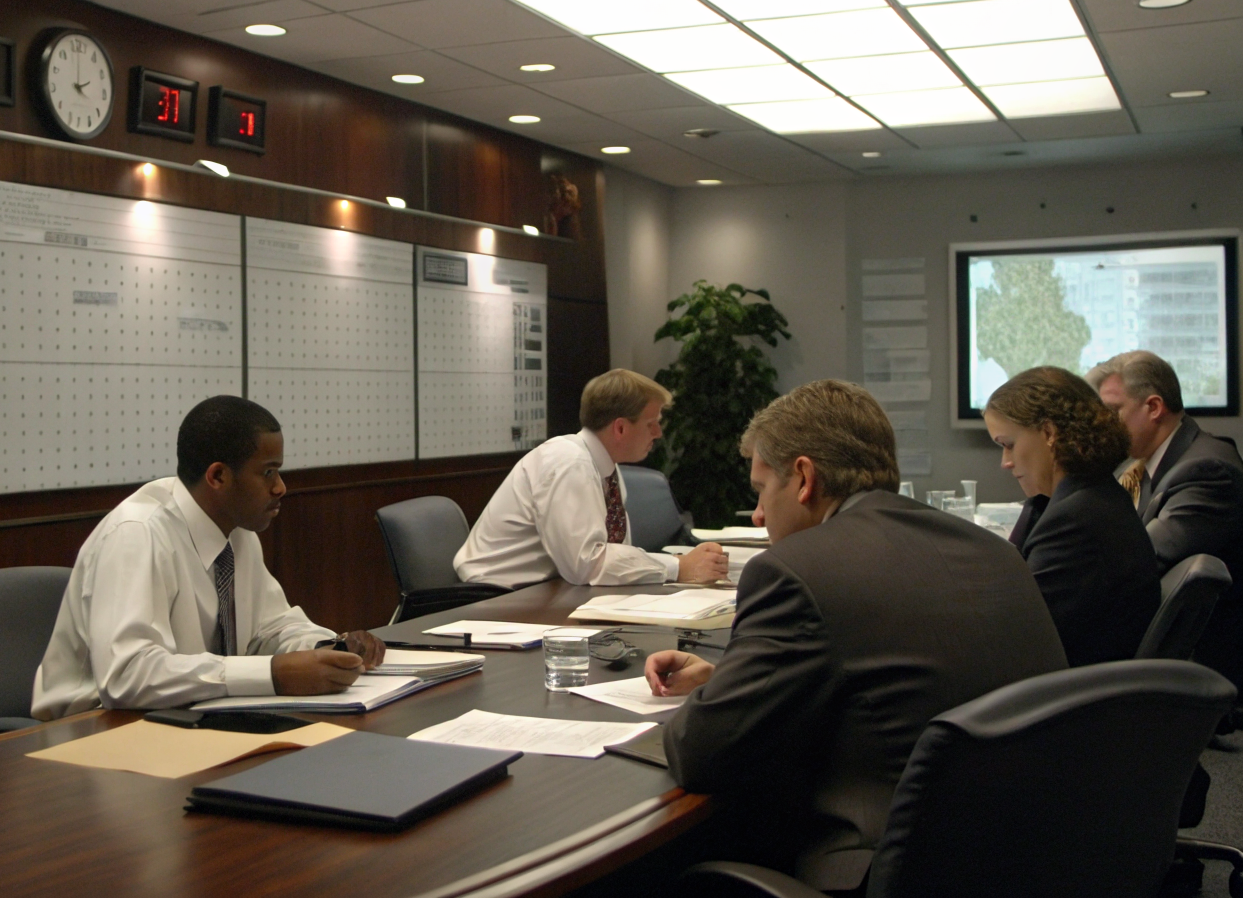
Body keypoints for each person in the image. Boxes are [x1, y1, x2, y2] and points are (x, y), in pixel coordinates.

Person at [646, 380, 1065, 894]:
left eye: (760, 490)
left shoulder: (796, 570)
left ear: (803, 478)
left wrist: (722, 698)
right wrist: (737, 676)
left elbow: (701, 752)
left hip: (887, 870)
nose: (757, 515)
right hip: (1032, 861)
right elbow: (897, 673)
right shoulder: (994, 550)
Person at [32, 396, 384, 720]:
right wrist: (274, 674)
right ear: (218, 476)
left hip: (186, 715)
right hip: (92, 728)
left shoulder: (237, 530)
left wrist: (328, 647)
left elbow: (270, 627)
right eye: (268, 472)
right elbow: (127, 675)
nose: (280, 487)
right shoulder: (137, 534)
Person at [453, 368, 728, 587]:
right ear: (620, 428)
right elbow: (588, 564)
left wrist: (679, 564)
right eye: (651, 424)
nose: (658, 433)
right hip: (490, 599)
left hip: (547, 590)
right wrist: (678, 567)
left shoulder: (606, 467)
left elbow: (610, 555)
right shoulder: (569, 463)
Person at [984, 366, 1160, 667]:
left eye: (1008, 445)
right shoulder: (1095, 496)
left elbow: (1020, 637)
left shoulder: (1076, 521)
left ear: (1049, 433)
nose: (1006, 462)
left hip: (1070, 699)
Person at [1087, 350, 1243, 683]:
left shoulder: (1207, 470)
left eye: (1112, 411)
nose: (1102, 425)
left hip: (1199, 671)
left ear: (1154, 407)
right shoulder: (1141, 464)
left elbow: (1141, 562)